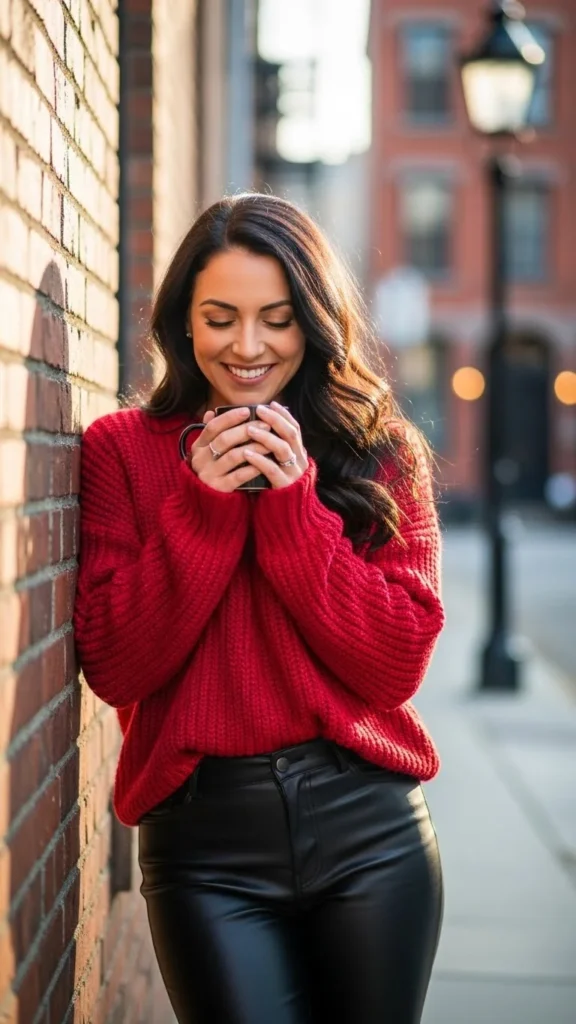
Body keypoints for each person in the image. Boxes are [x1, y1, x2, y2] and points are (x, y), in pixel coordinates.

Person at [74, 192, 445, 1024]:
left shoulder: (380, 450)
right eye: (220, 318)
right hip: (205, 846)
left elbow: (393, 666)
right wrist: (203, 510)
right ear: (183, 322)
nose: (247, 347)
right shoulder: (122, 451)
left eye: (276, 319)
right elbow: (116, 664)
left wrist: (289, 511)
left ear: (313, 320)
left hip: (371, 832)